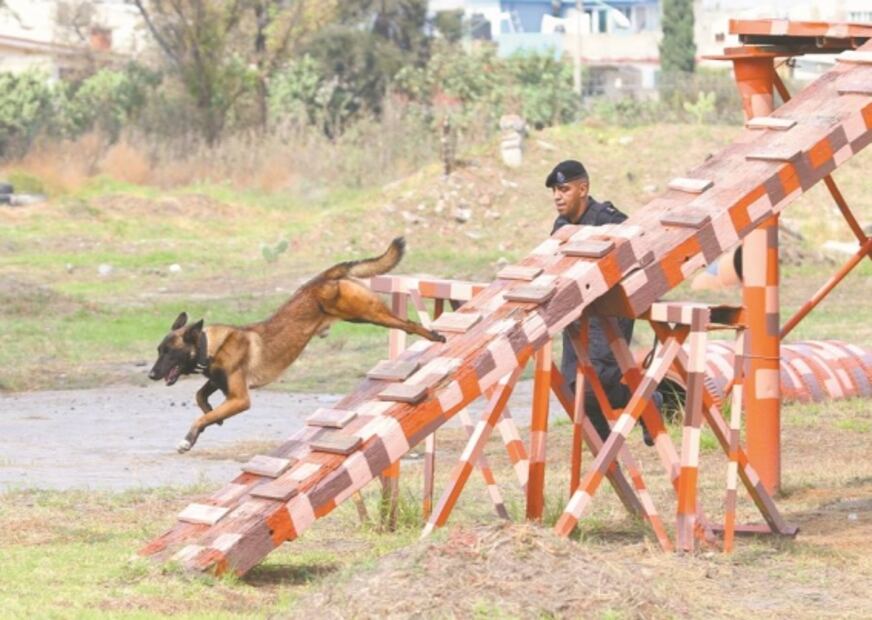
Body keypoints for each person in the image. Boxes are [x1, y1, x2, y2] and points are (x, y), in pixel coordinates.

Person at [546, 159, 660, 444]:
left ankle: (648, 403)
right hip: (576, 314)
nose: (558, 196)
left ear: (583, 189)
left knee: (596, 381)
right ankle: (607, 454)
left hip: (608, 314)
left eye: (564, 189)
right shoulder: (561, 225)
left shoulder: (609, 219)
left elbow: (642, 250)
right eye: (555, 191)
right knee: (574, 389)